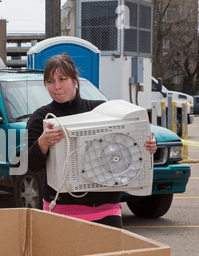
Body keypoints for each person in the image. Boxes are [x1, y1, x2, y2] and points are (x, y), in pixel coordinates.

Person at [26, 53, 157, 228]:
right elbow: (31, 165)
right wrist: (43, 142)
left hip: (107, 209)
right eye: (50, 81)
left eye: (62, 79)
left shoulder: (102, 109)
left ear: (75, 79)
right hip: (61, 210)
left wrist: (147, 146)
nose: (56, 86)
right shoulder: (41, 118)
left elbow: (124, 149)